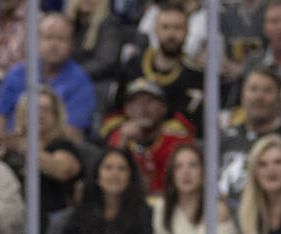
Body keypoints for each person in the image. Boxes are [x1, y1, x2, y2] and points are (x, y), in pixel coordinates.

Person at [0, 13, 97, 142]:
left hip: (54, 152)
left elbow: (72, 135)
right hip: (11, 150)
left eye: (61, 39)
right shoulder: (16, 74)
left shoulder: (81, 82)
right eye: (48, 37)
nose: (54, 45)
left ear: (72, 44)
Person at [0, 85, 85, 233]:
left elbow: (64, 170)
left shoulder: (62, 146)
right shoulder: (10, 146)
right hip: (10, 223)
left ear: (56, 116)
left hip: (48, 225)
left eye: (46, 109)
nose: (40, 114)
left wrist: (25, 148)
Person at [150, 143, 241, 234]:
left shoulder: (218, 210)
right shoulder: (162, 209)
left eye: (192, 165)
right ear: (172, 174)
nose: (186, 172)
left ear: (203, 172)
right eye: (179, 166)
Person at [60, 146, 153, 234]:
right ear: (97, 175)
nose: (115, 174)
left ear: (130, 177)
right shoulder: (81, 214)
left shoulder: (143, 213)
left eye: (122, 169)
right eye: (108, 168)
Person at [111, 0, 204, 133]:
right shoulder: (132, 66)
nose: (171, 34)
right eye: (165, 27)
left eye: (178, 28)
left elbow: (188, 122)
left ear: (187, 31)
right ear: (155, 30)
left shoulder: (195, 76)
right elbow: (114, 111)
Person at [105, 77, 194, 195]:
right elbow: (110, 182)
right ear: (126, 110)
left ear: (164, 108)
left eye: (150, 101)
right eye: (135, 102)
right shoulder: (119, 137)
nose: (142, 107)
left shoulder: (179, 139)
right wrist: (123, 142)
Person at [217, 68, 281, 206]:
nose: (259, 96)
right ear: (242, 96)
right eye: (253, 89)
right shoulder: (224, 140)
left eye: (267, 90)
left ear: (279, 99)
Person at [65, 0, 123, 84]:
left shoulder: (109, 24)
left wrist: (70, 73)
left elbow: (105, 63)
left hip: (95, 83)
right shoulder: (66, 24)